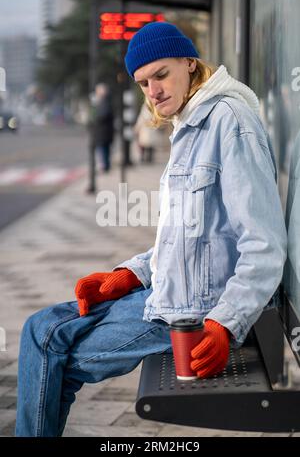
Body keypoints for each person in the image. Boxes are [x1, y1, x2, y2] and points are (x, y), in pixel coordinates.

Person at [15, 22, 287, 437]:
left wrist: (224, 323)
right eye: (143, 83)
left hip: (189, 314)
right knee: (39, 329)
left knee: (49, 351)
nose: (153, 91)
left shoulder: (229, 123)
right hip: (170, 290)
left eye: (161, 75)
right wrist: (130, 273)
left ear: (189, 63)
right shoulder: (192, 124)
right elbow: (188, 237)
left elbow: (264, 246)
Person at [89, 83, 114, 172]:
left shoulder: (104, 102)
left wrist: (95, 118)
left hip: (102, 132)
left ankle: (105, 166)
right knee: (104, 150)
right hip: (104, 132)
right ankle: (105, 165)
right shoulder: (106, 101)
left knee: (103, 150)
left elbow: (102, 115)